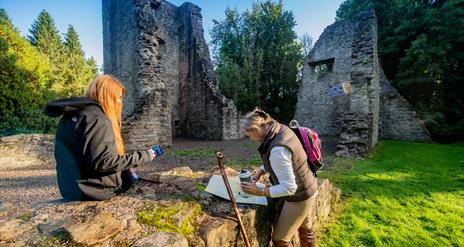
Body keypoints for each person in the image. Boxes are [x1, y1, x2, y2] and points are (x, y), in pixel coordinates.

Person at [44, 75, 158, 201]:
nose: (120, 102)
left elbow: (85, 158)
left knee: (127, 172)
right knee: (132, 180)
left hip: (70, 188)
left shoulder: (70, 115)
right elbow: (104, 163)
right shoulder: (98, 119)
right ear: (107, 96)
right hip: (93, 192)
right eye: (118, 97)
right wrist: (146, 155)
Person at [241, 108, 319, 247]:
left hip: (299, 196)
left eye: (250, 134)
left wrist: (260, 191)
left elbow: (289, 188)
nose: (252, 139)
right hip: (309, 185)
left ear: (257, 128)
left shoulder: (277, 149)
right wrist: (261, 170)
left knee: (280, 239)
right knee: (305, 228)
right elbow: (287, 159)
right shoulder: (279, 128)